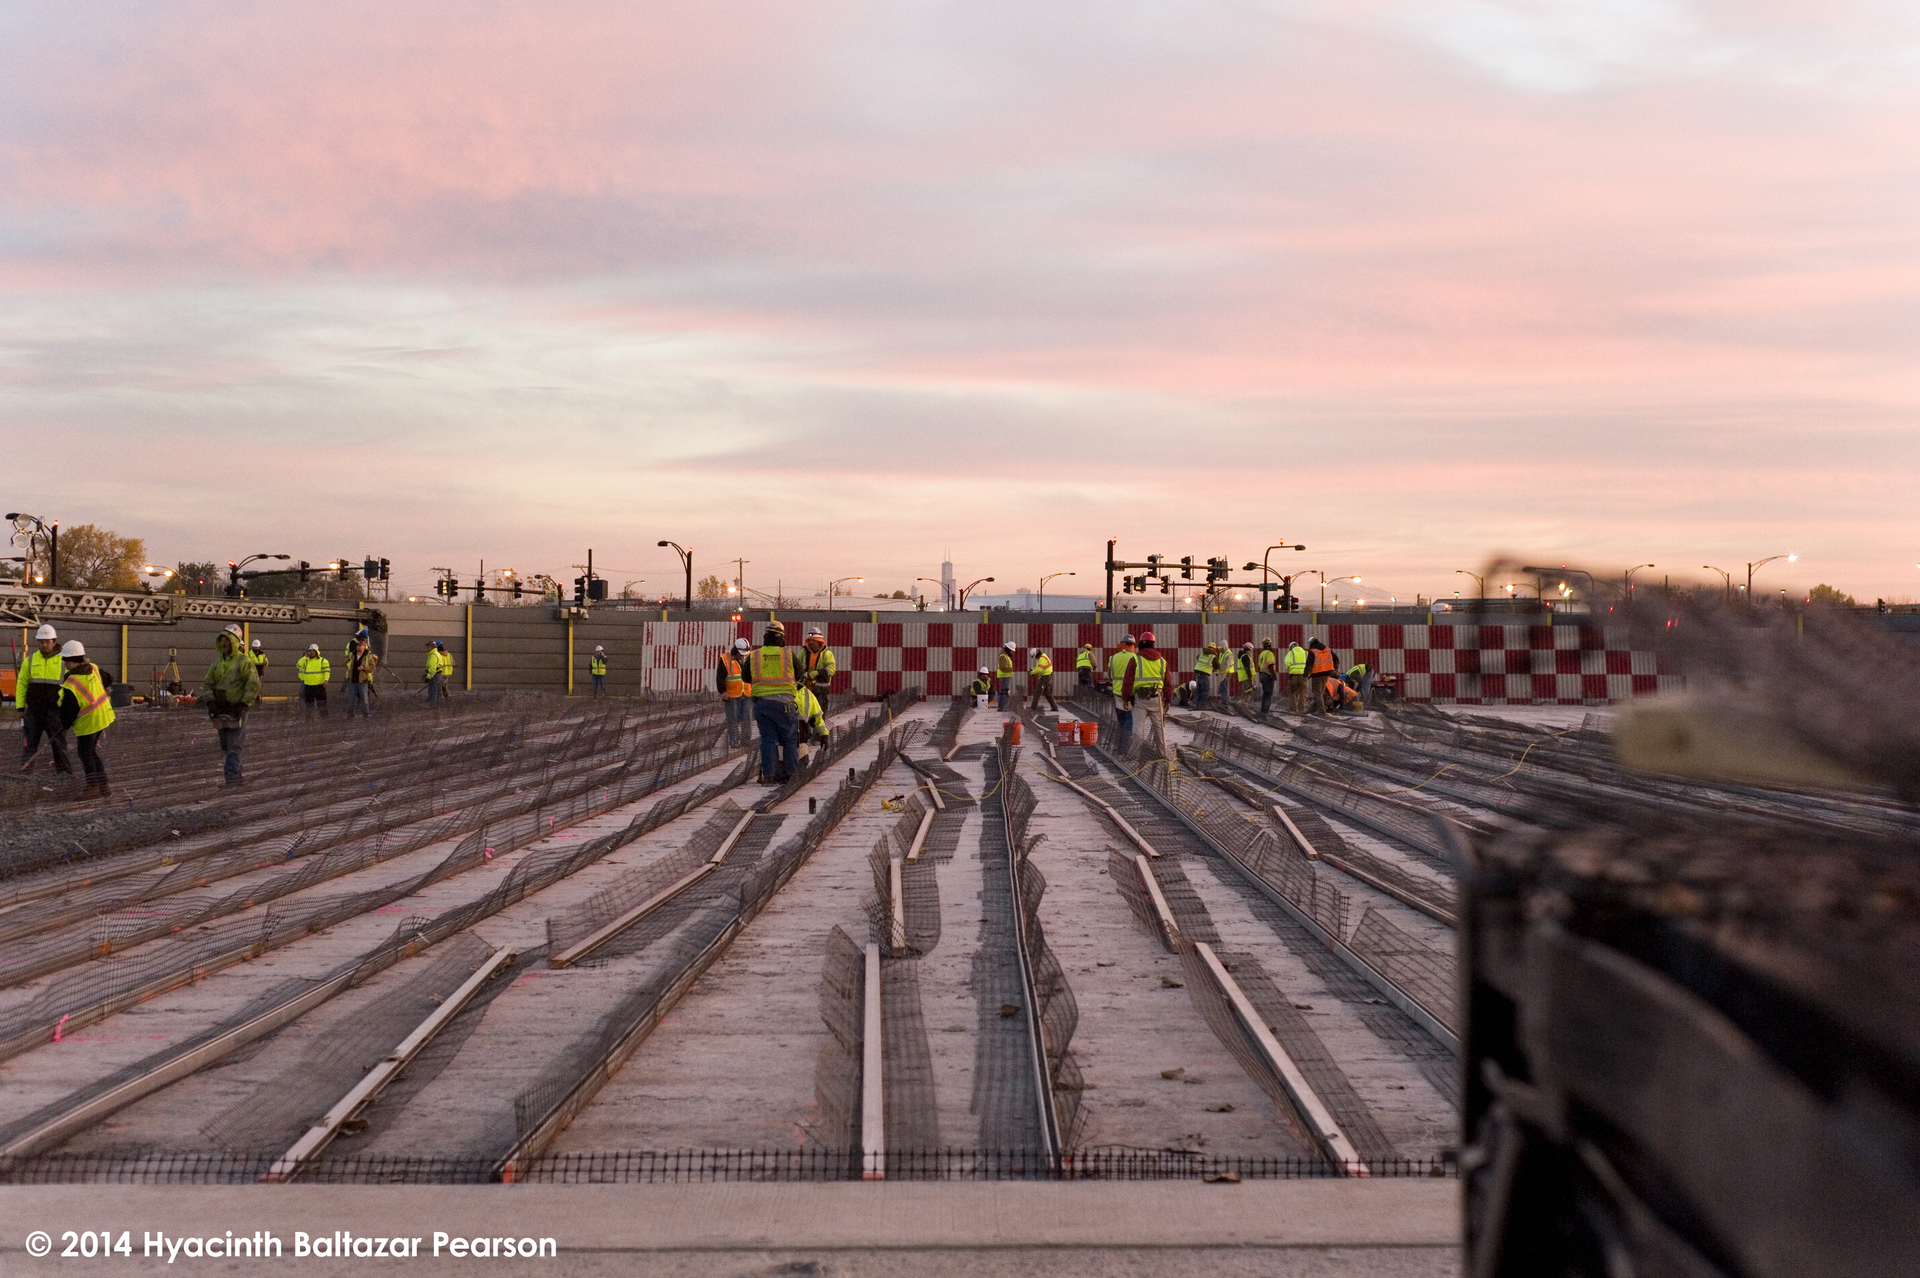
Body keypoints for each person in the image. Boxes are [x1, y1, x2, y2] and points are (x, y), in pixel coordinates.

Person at [202, 623, 261, 784]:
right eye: (222, 640)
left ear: (235, 642)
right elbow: (207, 683)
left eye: (227, 640)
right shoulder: (217, 663)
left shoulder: (244, 661)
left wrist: (243, 704)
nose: (224, 644)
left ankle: (232, 778)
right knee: (226, 746)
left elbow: (253, 684)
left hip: (237, 709)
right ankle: (236, 775)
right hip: (221, 709)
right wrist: (211, 702)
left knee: (234, 745)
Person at [744, 620, 800, 784]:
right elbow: (801, 673)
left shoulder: (755, 655)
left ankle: (769, 776)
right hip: (785, 705)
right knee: (789, 740)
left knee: (767, 740)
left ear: (765, 637)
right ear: (781, 638)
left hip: (763, 705)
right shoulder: (788, 654)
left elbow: (745, 677)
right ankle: (792, 776)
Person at [56, 640, 114, 797]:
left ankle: (92, 787)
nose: (63, 663)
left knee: (85, 753)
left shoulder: (72, 682)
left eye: (65, 659)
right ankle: (103, 785)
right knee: (91, 752)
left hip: (89, 722)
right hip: (102, 716)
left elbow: (69, 711)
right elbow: (108, 678)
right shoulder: (93, 668)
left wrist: (63, 725)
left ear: (71, 660)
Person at [16, 623, 72, 776]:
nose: (44, 644)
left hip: (56, 712)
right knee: (29, 747)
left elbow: (73, 686)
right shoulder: (31, 660)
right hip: (34, 712)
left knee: (59, 746)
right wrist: (20, 707)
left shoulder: (64, 662)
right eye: (41, 641)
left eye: (47, 641)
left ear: (54, 641)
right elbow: (22, 683)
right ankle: (24, 777)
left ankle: (64, 776)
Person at [1121, 630, 1172, 760]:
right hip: (1157, 698)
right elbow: (1168, 683)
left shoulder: (1135, 660)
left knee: (1137, 728)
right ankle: (1163, 754)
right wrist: (1168, 700)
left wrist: (1125, 698)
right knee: (1159, 728)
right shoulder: (1162, 661)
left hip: (1140, 699)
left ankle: (1134, 755)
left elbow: (1128, 681)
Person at [717, 638, 753, 747]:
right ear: (736, 650)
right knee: (733, 719)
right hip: (731, 695)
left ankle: (746, 741)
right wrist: (723, 691)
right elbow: (720, 677)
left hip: (747, 693)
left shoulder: (749, 657)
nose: (743, 656)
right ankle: (734, 741)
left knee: (747, 718)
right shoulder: (725, 658)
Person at [1107, 636, 1138, 741]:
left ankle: (1121, 744)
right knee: (1130, 720)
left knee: (1121, 721)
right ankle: (1125, 745)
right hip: (1131, 694)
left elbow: (1110, 676)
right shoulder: (1136, 658)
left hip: (1117, 693)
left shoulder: (1113, 658)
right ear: (1133, 645)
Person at [343, 629, 378, 718]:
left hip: (363, 679)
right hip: (353, 678)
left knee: (364, 699)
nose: (358, 646)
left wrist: (365, 667)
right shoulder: (353, 650)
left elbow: (371, 667)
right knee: (352, 699)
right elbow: (344, 660)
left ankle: (365, 714)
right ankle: (351, 714)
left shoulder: (367, 655)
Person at [795, 683, 830, 761]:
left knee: (801, 768)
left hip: (800, 743)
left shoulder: (806, 694)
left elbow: (817, 717)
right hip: (780, 745)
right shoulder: (776, 693)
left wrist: (823, 735)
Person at [296, 643, 330, 718]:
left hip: (319, 685)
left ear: (317, 652)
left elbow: (326, 671)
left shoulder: (323, 661)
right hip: (308, 685)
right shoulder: (306, 661)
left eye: (313, 651)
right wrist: (304, 657)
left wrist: (326, 680)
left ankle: (324, 718)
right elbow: (299, 665)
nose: (311, 652)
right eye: (310, 651)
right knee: (309, 704)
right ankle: (309, 718)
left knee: (322, 704)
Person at [801, 628, 836, 695]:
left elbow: (831, 670)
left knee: (820, 705)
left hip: (821, 690)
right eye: (810, 640)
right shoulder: (803, 653)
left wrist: (818, 672)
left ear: (819, 641)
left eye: (813, 641)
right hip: (805, 688)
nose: (811, 643)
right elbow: (797, 666)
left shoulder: (827, 654)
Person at [1306, 639, 1336, 715]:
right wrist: (1333, 669)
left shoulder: (1313, 652)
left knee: (1317, 693)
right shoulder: (1328, 650)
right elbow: (1336, 659)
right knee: (1320, 693)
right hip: (1326, 674)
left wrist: (1306, 674)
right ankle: (1313, 709)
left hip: (1317, 675)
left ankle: (1321, 711)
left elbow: (1309, 665)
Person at [1026, 646, 1060, 713]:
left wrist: (1031, 672)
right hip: (1047, 676)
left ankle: (1033, 708)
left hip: (1045, 677)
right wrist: (1032, 669)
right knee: (1047, 693)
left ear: (1036, 654)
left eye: (1034, 656)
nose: (1035, 658)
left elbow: (1040, 670)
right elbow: (1039, 667)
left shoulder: (1042, 659)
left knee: (1037, 692)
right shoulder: (1043, 657)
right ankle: (1054, 707)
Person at [425, 641, 454, 705]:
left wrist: (429, 676)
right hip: (448, 673)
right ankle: (446, 700)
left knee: (437, 689)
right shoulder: (449, 655)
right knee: (443, 687)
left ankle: (438, 702)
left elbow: (433, 666)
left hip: (440, 673)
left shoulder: (437, 655)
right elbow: (453, 663)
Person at [1284, 640, 1309, 713]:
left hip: (1293, 676)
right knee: (1303, 692)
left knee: (1291, 691)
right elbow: (1310, 664)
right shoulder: (1305, 653)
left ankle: (1293, 708)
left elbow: (1287, 663)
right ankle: (1301, 709)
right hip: (1303, 675)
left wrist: (1290, 670)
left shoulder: (1290, 653)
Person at [1256, 639, 1278, 715]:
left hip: (1262, 674)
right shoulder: (1269, 654)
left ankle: (1263, 710)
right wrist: (1274, 675)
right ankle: (1265, 711)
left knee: (1265, 693)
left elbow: (1259, 666)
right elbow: (1270, 665)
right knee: (1268, 694)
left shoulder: (1261, 654)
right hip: (1267, 675)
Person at [1193, 643, 1216, 711]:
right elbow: (1217, 665)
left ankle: (1197, 706)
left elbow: (1197, 657)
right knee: (1205, 690)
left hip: (1198, 674)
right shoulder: (1213, 657)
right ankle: (1202, 705)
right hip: (1204, 675)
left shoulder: (1201, 655)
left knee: (1199, 690)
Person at [995, 641, 1017, 712]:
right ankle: (1003, 706)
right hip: (1004, 676)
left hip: (1005, 676)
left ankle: (1002, 707)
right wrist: (1011, 669)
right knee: (1004, 692)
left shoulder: (1005, 656)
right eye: (1011, 651)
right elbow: (1003, 667)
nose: (1012, 652)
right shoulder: (1003, 656)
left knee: (1003, 691)